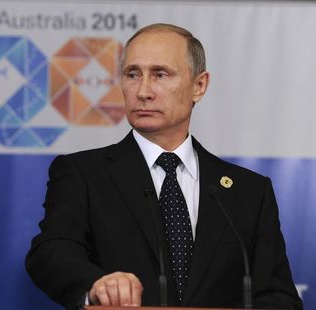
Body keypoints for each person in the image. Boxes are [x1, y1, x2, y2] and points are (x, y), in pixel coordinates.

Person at [26, 23, 302, 309]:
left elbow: (277, 296)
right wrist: (95, 284)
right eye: (133, 74)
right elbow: (51, 251)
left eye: (160, 74)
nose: (143, 91)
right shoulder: (82, 173)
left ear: (199, 85)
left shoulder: (249, 191)